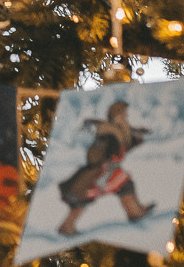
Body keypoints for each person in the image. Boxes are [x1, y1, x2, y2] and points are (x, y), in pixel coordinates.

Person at [54, 100, 156, 236]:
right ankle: (67, 227)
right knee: (84, 197)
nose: (125, 117)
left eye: (125, 114)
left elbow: (125, 144)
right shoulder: (108, 132)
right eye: (122, 114)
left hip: (110, 170)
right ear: (115, 115)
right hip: (102, 171)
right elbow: (96, 153)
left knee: (126, 185)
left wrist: (138, 136)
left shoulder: (120, 131)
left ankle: (135, 212)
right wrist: (104, 161)